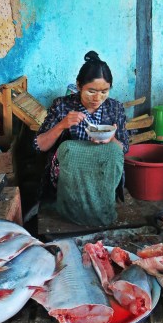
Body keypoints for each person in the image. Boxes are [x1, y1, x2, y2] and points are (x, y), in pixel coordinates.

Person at [32, 51, 130, 224]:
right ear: (78, 86)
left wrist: (111, 139)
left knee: (113, 151)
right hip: (69, 177)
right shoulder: (62, 105)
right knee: (70, 148)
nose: (97, 98)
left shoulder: (115, 108)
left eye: (104, 91)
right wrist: (62, 124)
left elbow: (124, 149)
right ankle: (69, 208)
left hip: (102, 175)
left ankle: (102, 206)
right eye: (91, 91)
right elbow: (39, 145)